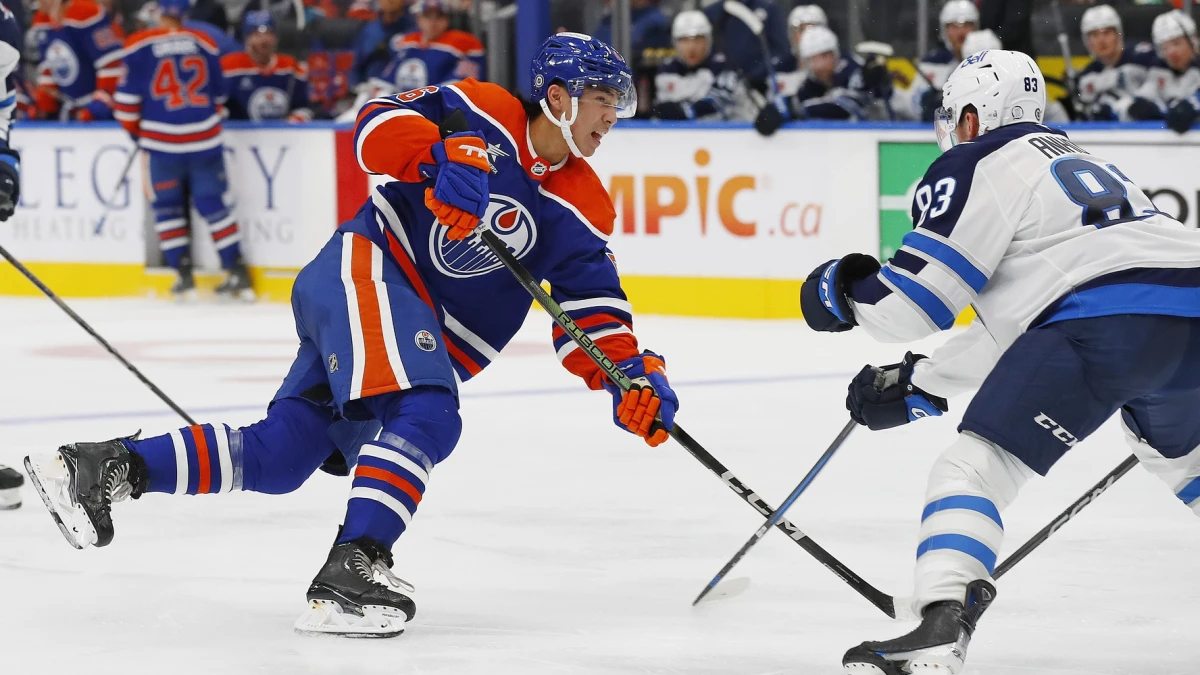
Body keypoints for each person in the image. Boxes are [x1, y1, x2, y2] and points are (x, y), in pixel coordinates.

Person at [25, 32, 679, 638]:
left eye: (616, 103)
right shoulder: (481, 109)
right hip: (368, 269)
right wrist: (439, 153)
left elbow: (594, 314)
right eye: (601, 99)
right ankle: (354, 567)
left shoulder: (584, 206)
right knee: (428, 410)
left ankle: (102, 466)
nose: (612, 116)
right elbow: (374, 125)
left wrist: (631, 378)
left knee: (283, 455)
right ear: (558, 97)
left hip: (401, 327)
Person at [797, 49, 1200, 674]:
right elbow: (1022, 323)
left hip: (1102, 322)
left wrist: (841, 294)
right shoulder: (1088, 163)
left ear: (971, 116)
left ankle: (940, 622)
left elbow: (915, 303)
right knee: (1186, 464)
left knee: (973, 470)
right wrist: (922, 383)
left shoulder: (977, 159)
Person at [112, 0, 253, 300]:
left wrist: (140, 135)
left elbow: (125, 106)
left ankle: (184, 277)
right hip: (204, 138)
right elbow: (220, 95)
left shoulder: (138, 45)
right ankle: (237, 272)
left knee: (167, 208)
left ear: (159, 12)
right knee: (213, 204)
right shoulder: (205, 41)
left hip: (162, 143)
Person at [753, 25, 883, 134]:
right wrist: (778, 108)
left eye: (822, 56)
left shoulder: (852, 70)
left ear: (833, 54)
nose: (816, 65)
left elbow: (846, 107)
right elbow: (799, 100)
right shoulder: (814, 81)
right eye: (811, 60)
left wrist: (798, 110)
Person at [652, 10, 754, 122]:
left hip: (723, 130)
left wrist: (686, 110)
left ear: (708, 40)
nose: (691, 47)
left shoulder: (724, 67)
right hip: (680, 131)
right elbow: (662, 108)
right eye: (684, 40)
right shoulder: (666, 69)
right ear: (675, 42)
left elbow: (718, 102)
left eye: (698, 39)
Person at [30, 0, 123, 121]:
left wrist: (99, 106)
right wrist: (44, 104)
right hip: (68, 110)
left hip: (100, 113)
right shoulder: (42, 20)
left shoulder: (85, 13)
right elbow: (48, 65)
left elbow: (112, 62)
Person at [368, 0, 484, 96]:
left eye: (439, 17)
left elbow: (461, 88)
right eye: (427, 16)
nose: (433, 22)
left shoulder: (463, 43)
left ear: (447, 19)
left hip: (437, 107)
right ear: (418, 19)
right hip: (404, 103)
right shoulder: (406, 41)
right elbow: (388, 79)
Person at [221, 11, 312, 122]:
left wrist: (293, 122)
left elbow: (304, 108)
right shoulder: (229, 66)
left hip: (281, 132)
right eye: (257, 34)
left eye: (268, 34)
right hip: (240, 131)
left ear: (276, 38)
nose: (264, 40)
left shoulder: (292, 67)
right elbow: (217, 104)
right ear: (246, 39)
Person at [895, 0, 978, 122]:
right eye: (954, 26)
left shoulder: (990, 59)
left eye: (967, 25)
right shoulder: (931, 63)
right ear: (944, 30)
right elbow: (913, 107)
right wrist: (927, 102)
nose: (961, 33)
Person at [1076, 4, 1156, 122]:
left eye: (1107, 33)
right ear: (1087, 41)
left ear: (1118, 34)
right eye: (1095, 35)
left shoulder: (1143, 57)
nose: (1101, 40)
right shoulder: (1087, 76)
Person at [1128, 10, 1200, 134]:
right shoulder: (1159, 72)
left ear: (1192, 41)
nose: (1171, 52)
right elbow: (1141, 100)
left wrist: (1193, 105)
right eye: (1165, 47)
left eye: (1177, 43)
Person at [704, 0, 795, 93]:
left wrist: (756, 74)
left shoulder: (769, 8)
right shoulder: (712, 12)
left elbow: (782, 51)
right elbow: (705, 54)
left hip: (760, 88)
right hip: (722, 87)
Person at [348, 0, 414, 89]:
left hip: (404, 91)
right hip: (370, 89)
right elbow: (356, 67)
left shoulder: (416, 29)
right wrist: (355, 87)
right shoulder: (369, 30)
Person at [777, 4, 826, 98]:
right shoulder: (781, 70)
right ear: (791, 35)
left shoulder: (839, 67)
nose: (807, 34)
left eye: (812, 28)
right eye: (801, 29)